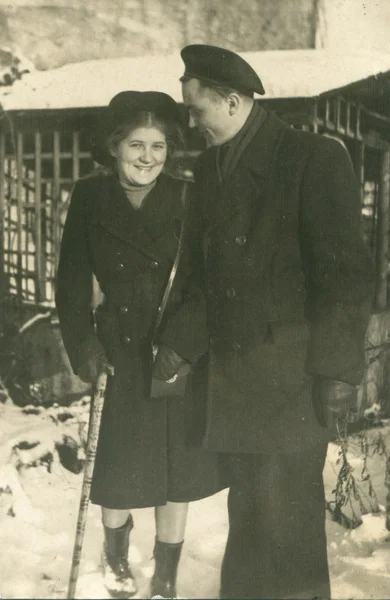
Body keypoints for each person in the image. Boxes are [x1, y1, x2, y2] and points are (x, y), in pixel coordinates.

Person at [179, 44, 375, 599]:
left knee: (286, 517)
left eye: (198, 112)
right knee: (248, 512)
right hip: (236, 376)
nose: (192, 125)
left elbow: (347, 276)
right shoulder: (210, 167)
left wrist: (335, 373)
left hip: (294, 375)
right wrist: (179, 343)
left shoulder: (313, 157)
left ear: (234, 101)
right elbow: (204, 275)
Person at [55, 90, 226, 599]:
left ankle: (166, 573)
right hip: (118, 351)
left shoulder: (189, 198)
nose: (147, 157)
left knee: (176, 470)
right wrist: (83, 345)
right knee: (119, 463)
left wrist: (183, 342)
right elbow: (69, 282)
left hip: (173, 350)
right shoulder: (88, 198)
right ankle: (115, 559)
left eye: (157, 145)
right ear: (114, 147)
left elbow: (208, 281)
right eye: (136, 145)